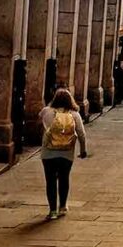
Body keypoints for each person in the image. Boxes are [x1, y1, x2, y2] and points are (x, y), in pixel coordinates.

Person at [39, 88, 87, 220]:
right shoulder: (75, 115)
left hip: (48, 153)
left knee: (50, 181)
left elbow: (40, 121)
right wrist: (83, 150)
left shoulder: (46, 112)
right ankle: (63, 206)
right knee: (64, 178)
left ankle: (52, 210)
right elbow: (82, 135)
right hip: (66, 153)